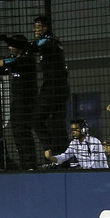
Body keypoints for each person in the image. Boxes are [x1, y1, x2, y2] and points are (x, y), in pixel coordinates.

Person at [0, 35, 39, 170]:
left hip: (25, 101)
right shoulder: (17, 61)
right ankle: (25, 163)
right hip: (17, 100)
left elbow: (7, 62)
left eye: (13, 45)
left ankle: (30, 164)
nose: (10, 48)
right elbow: (2, 67)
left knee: (22, 130)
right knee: (17, 131)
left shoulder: (26, 59)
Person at [26, 15, 70, 155]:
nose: (35, 30)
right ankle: (62, 157)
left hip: (52, 88)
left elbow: (32, 47)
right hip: (59, 88)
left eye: (38, 27)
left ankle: (51, 150)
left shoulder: (48, 40)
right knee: (57, 124)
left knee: (36, 119)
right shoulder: (53, 41)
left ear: (45, 28)